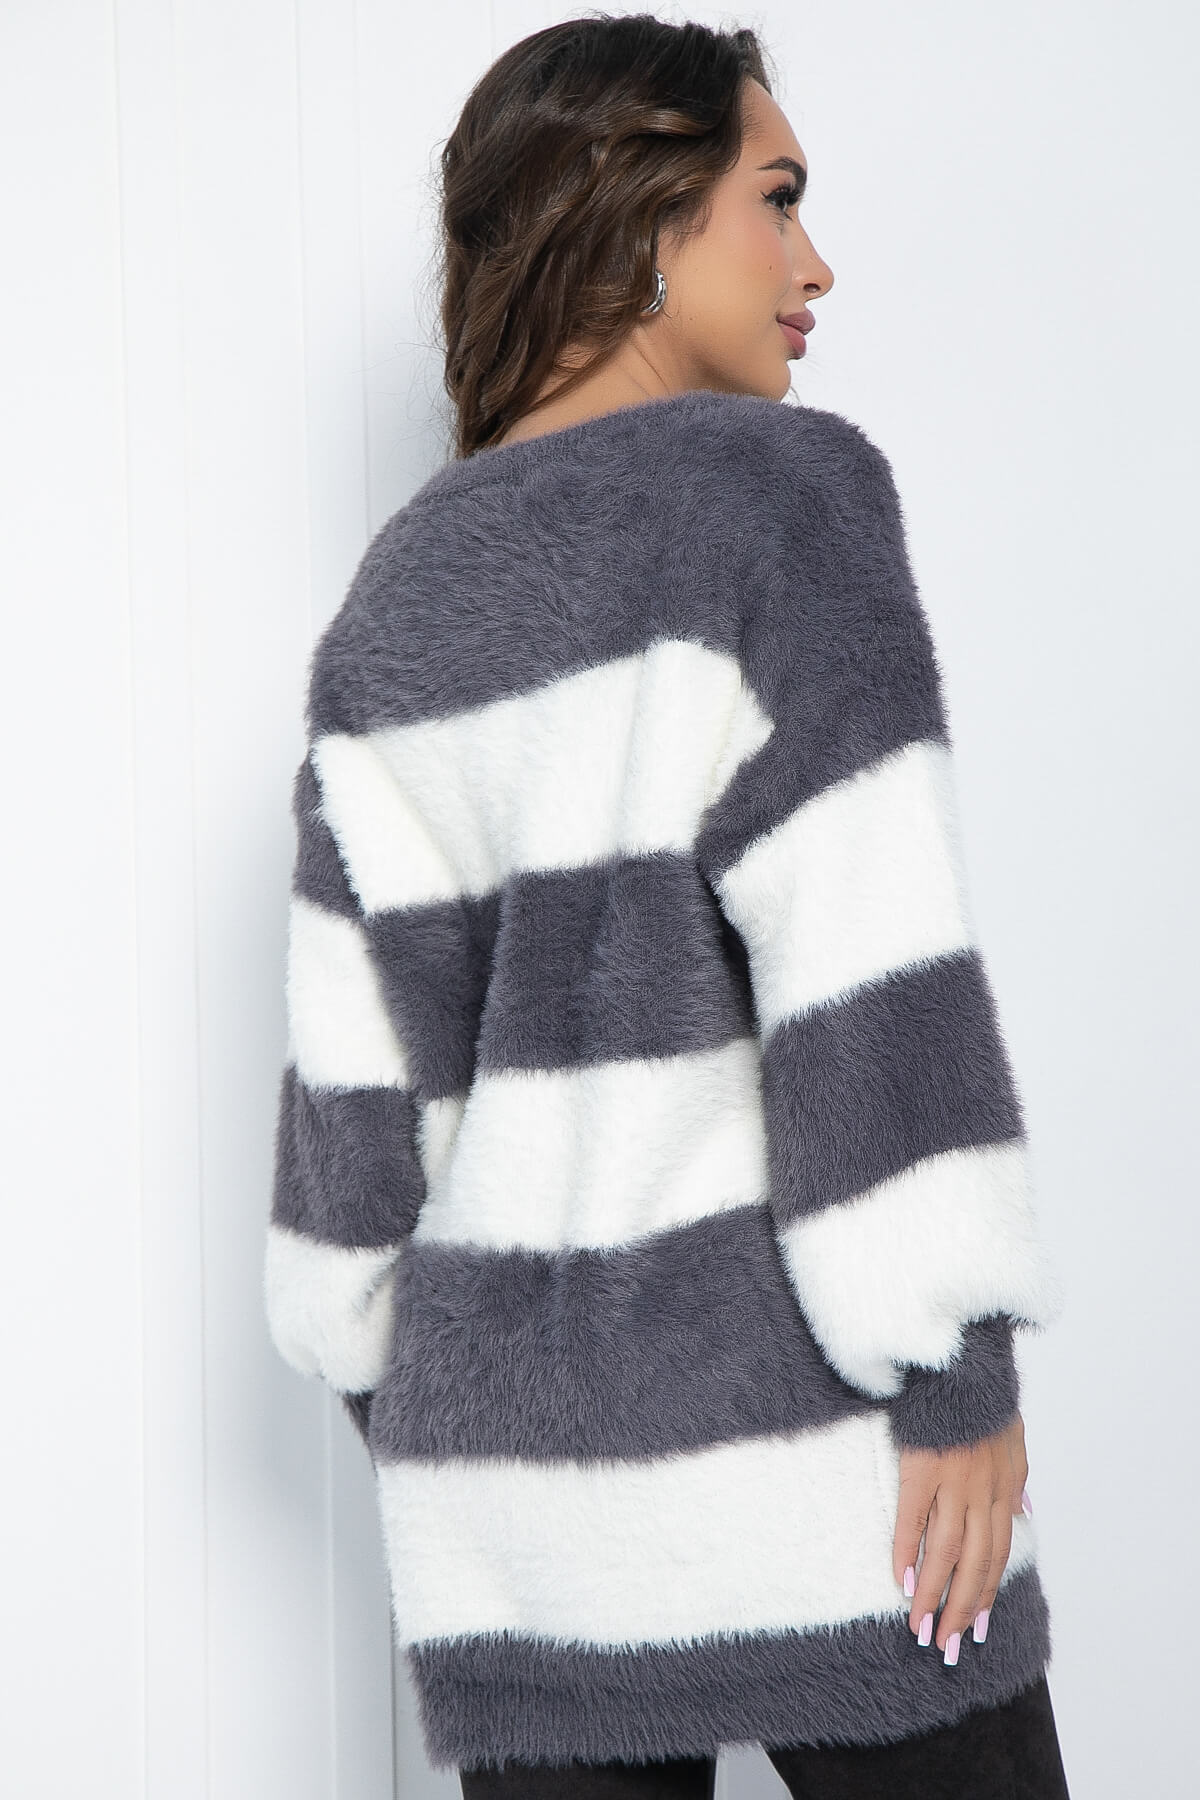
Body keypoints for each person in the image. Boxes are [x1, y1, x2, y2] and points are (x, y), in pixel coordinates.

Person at [263, 13, 1072, 1798]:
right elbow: (872, 969)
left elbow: (350, 1155)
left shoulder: (389, 609)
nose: (815, 263)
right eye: (776, 199)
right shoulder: (783, 499)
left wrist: (460, 1430)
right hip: (825, 1466)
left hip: (518, 1522)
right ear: (643, 218)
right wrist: (955, 1371)